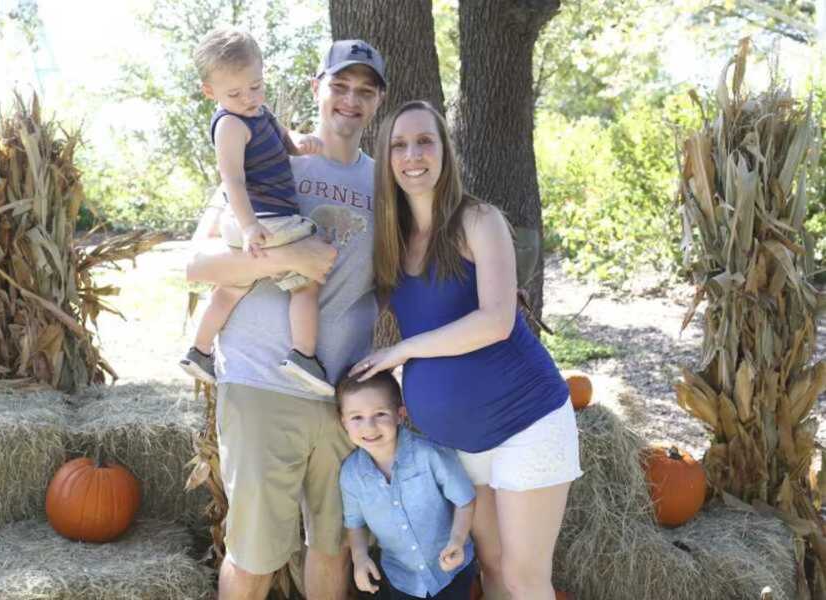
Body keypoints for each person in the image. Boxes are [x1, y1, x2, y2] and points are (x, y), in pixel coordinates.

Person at [350, 101, 583, 600]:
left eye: (425, 141)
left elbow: (497, 321)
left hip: (527, 422)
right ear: (385, 158)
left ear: (444, 150)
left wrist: (402, 352)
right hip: (458, 447)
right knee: (493, 568)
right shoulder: (393, 241)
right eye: (399, 145)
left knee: (525, 578)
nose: (413, 155)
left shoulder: (478, 220)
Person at [185, 39, 387, 600]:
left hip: (340, 395)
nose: (350, 100)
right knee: (252, 557)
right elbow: (197, 264)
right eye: (339, 86)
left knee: (333, 549)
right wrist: (287, 258)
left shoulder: (385, 185)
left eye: (365, 91)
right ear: (316, 86)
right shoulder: (265, 152)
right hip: (260, 383)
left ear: (377, 103)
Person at [180, 26, 332, 395]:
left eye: (255, 86)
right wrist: (249, 227)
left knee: (230, 290)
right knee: (307, 280)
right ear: (210, 92)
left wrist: (302, 141)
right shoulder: (230, 124)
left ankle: (199, 351)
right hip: (263, 218)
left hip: (259, 220)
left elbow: (286, 140)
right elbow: (231, 179)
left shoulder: (260, 113)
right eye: (234, 93)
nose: (248, 98)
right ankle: (304, 355)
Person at [337, 371, 476, 600]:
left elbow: (465, 500)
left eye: (380, 414)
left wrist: (457, 541)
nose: (369, 426)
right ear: (344, 422)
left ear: (400, 415)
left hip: (451, 568)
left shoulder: (430, 455)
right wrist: (359, 557)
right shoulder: (351, 475)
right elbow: (354, 523)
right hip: (401, 578)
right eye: (356, 417)